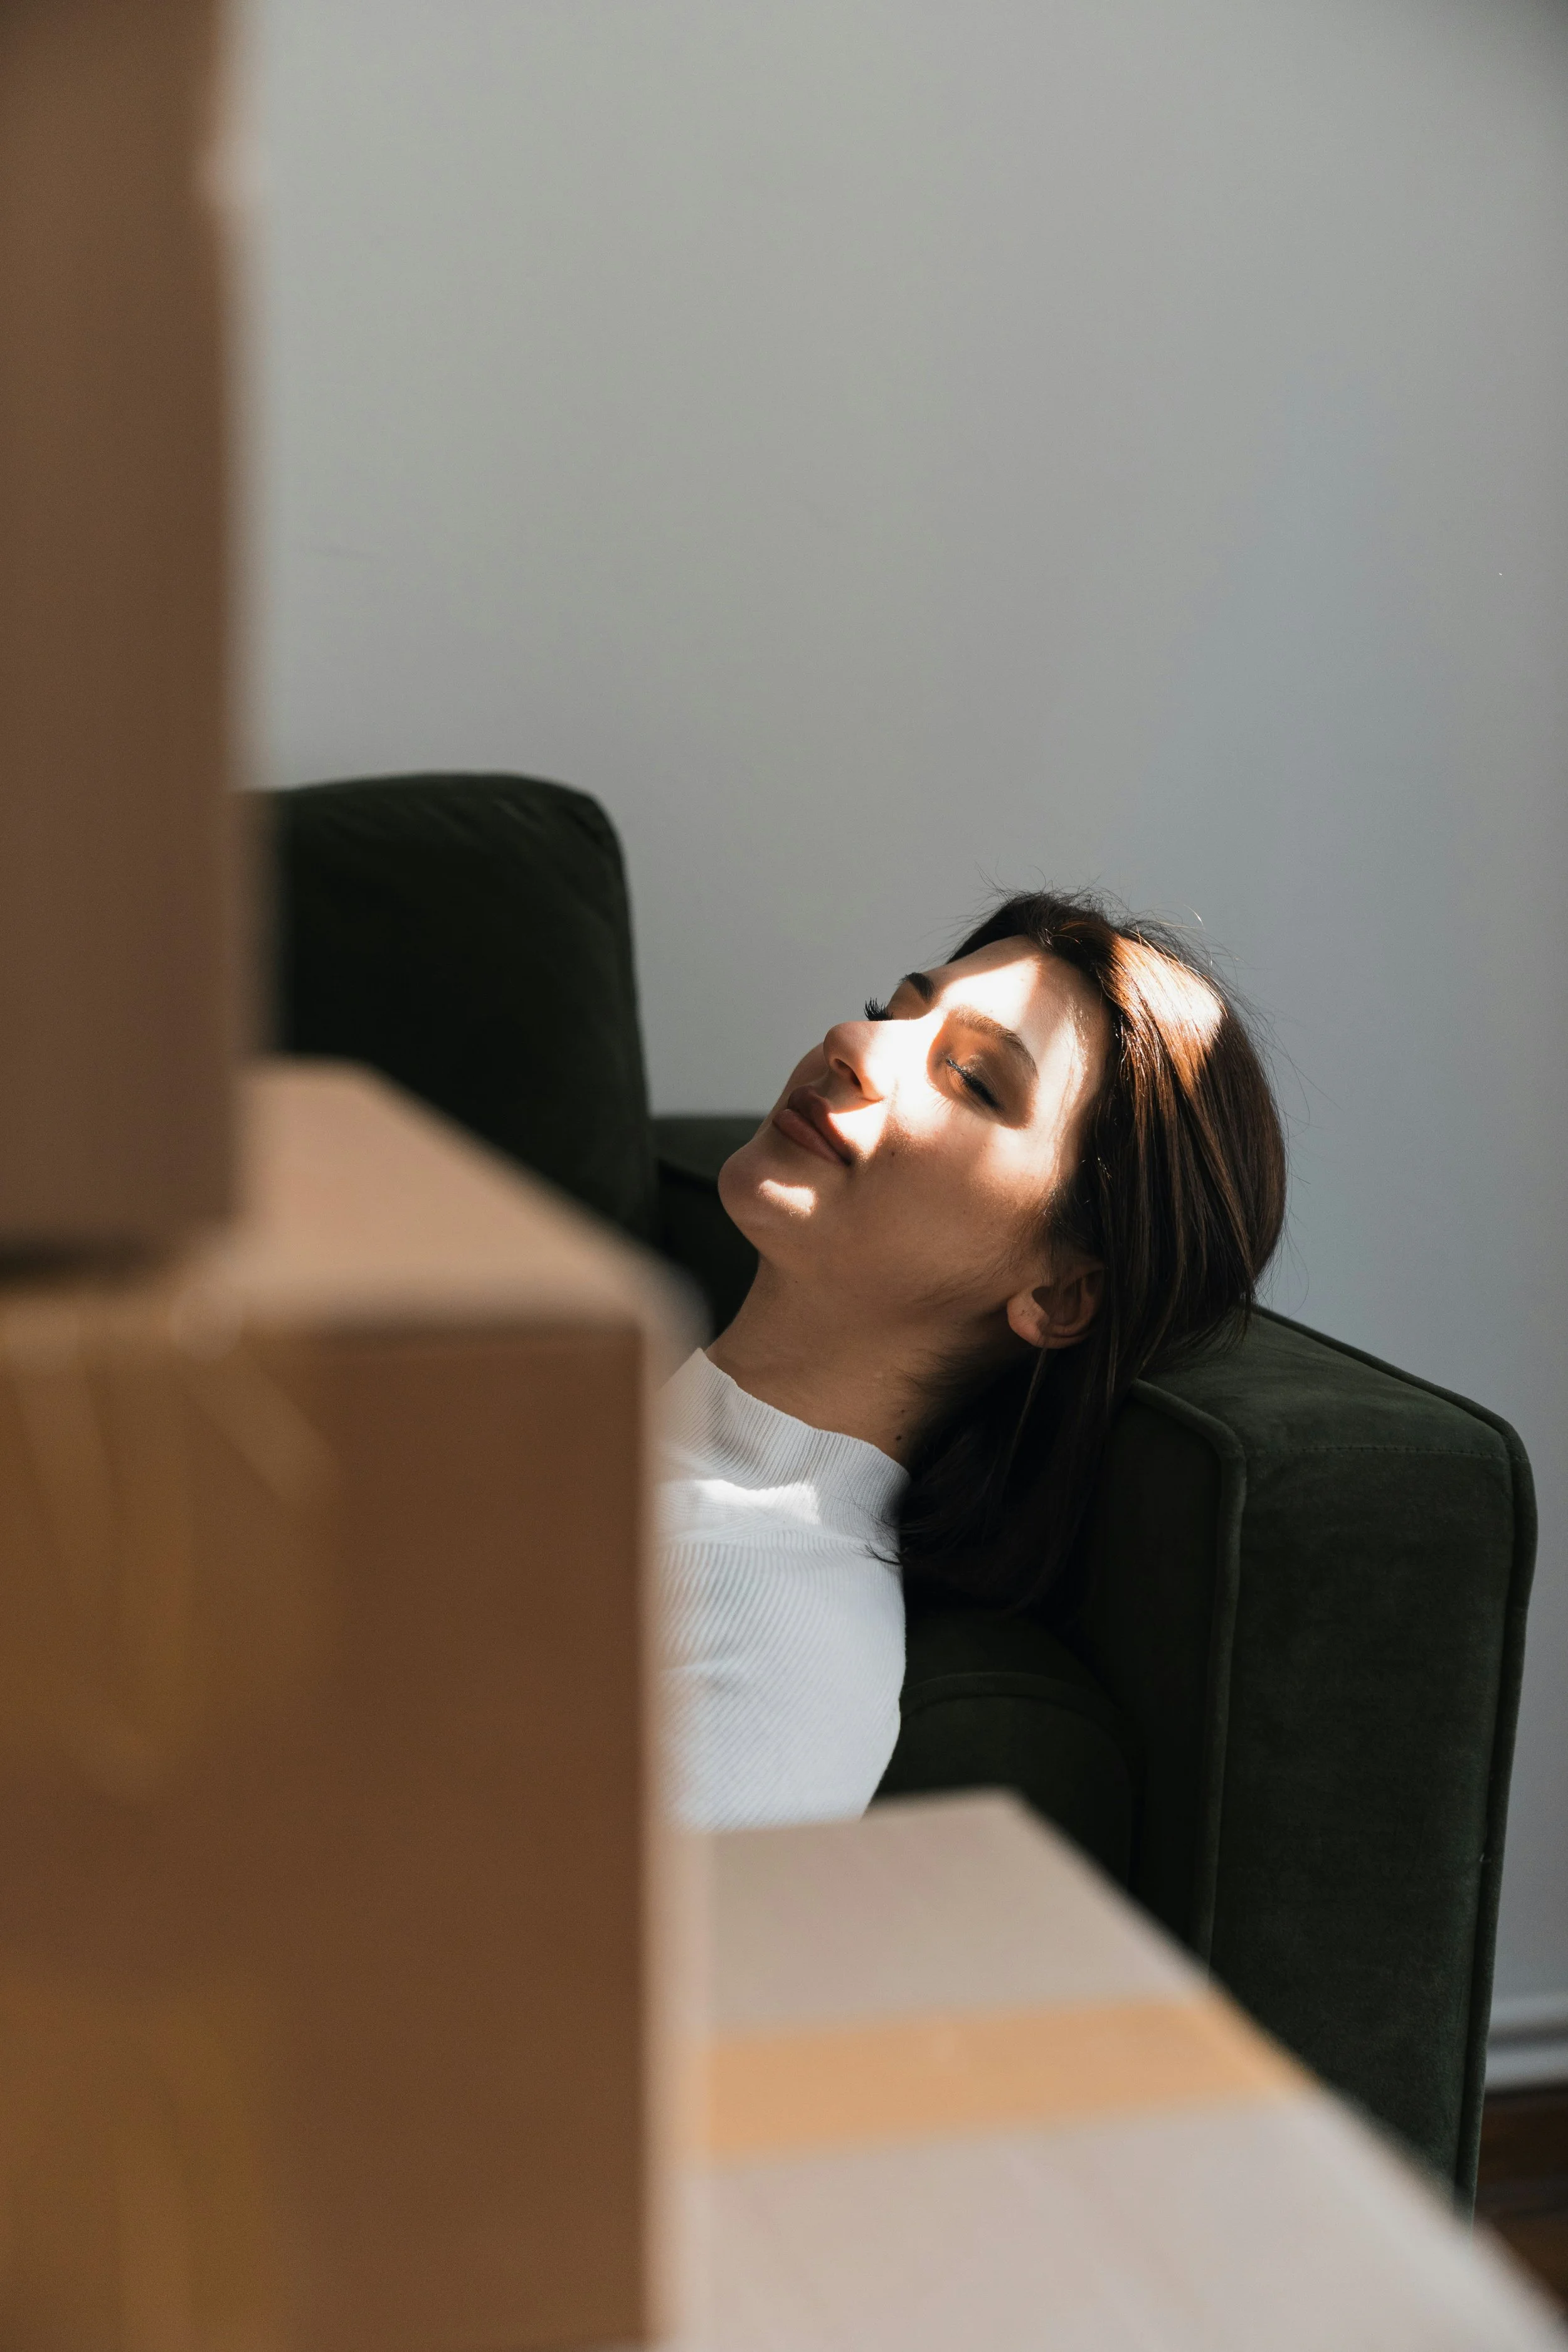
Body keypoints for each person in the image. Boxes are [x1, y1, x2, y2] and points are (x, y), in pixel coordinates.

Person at [659, 887, 1286, 1831]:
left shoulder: (775, 1646)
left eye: (977, 1081)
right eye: (890, 1012)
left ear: (1061, 1293)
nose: (854, 1044)